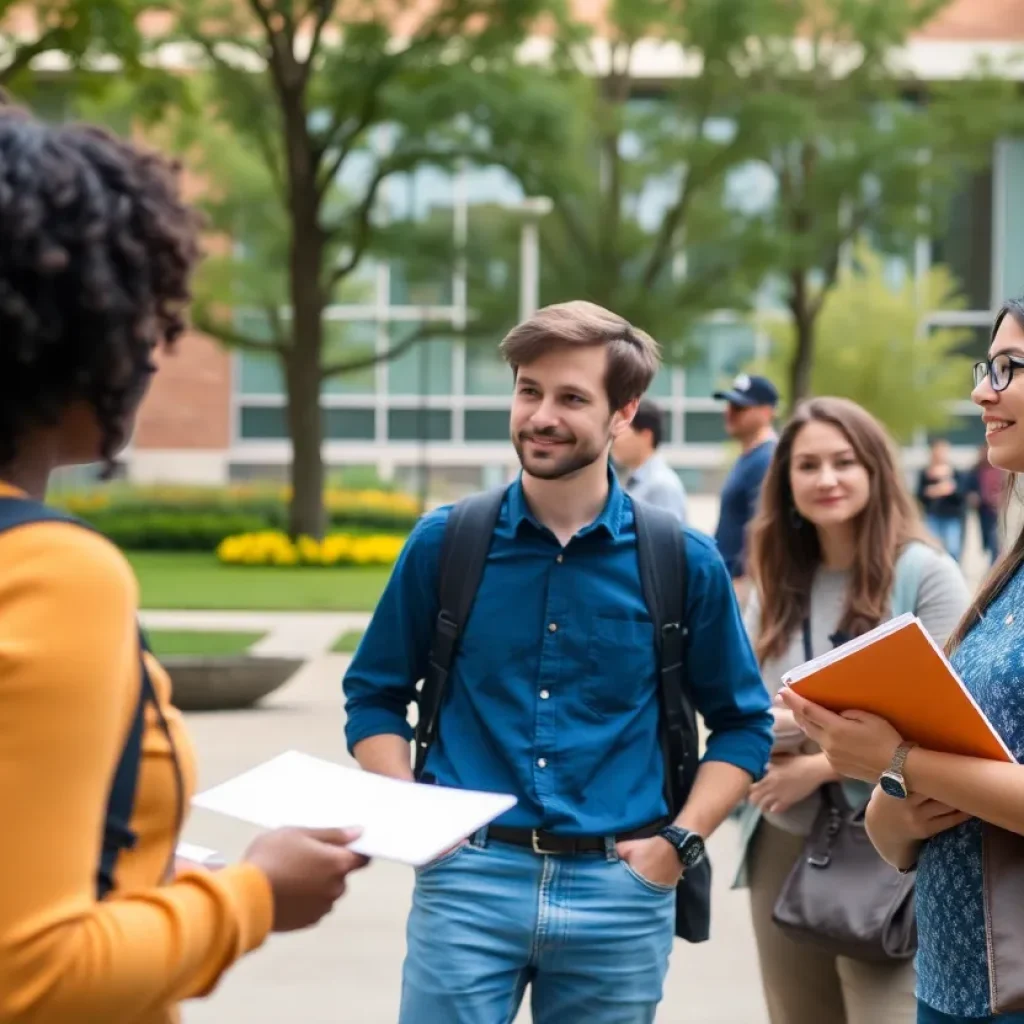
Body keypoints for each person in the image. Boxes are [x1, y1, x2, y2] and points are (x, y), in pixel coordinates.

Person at [0, 108, 368, 1022]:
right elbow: (31, 974)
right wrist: (251, 896)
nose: (157, 348)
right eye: (141, 308)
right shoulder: (53, 573)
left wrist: (139, 874)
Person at [343, 300, 774, 1024]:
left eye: (572, 397)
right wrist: (418, 819)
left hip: (620, 893)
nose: (541, 415)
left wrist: (679, 842)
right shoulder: (444, 544)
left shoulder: (680, 560)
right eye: (528, 391)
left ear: (622, 413)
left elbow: (742, 725)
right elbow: (374, 696)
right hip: (468, 881)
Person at [779, 297, 1024, 1024]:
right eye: (989, 367)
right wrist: (890, 771)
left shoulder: (936, 568)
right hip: (950, 983)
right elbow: (894, 841)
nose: (983, 390)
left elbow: (912, 765)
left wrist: (901, 760)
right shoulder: (1007, 574)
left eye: (1009, 368)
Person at [734, 396, 969, 1024]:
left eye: (843, 461)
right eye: (807, 465)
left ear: (874, 470)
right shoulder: (776, 579)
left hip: (890, 838)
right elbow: (749, 708)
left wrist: (815, 764)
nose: (826, 479)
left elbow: (952, 726)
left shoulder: (924, 573)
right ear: (785, 482)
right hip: (784, 836)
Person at [712, 373, 779, 599]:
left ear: (767, 412)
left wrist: (742, 583)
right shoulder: (751, 456)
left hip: (744, 587)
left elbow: (764, 527)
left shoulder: (768, 459)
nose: (729, 412)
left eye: (740, 407)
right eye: (729, 404)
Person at [612, 396, 688, 522]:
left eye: (622, 430)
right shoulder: (636, 479)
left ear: (646, 436)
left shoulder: (661, 485)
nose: (614, 438)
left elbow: (668, 539)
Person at [916, 438, 968, 563]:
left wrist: (948, 486)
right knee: (932, 548)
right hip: (932, 515)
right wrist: (935, 490)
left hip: (952, 515)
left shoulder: (954, 472)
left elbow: (961, 494)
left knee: (953, 548)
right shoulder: (926, 472)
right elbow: (919, 495)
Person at [965, 443, 1006, 566]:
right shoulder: (976, 470)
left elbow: (1007, 487)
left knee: (996, 539)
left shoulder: (1002, 469)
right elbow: (969, 489)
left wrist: (1002, 497)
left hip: (1000, 509)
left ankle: (995, 564)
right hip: (984, 509)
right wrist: (972, 497)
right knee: (988, 537)